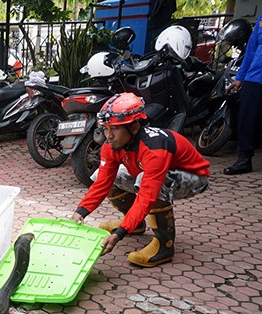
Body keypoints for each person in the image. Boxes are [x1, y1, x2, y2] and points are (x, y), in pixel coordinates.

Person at [71, 92, 211, 268]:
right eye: (106, 128)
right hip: (155, 174)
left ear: (135, 128)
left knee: (149, 182)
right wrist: (80, 212)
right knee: (101, 175)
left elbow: (147, 195)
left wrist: (119, 234)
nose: (108, 135)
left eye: (115, 128)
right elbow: (102, 184)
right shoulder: (112, 145)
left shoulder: (154, 148)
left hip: (194, 178)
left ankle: (164, 246)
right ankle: (135, 224)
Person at [224, 14, 262, 175]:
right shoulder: (261, 20)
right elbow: (251, 50)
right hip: (255, 77)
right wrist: (240, 78)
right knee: (247, 117)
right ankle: (244, 159)